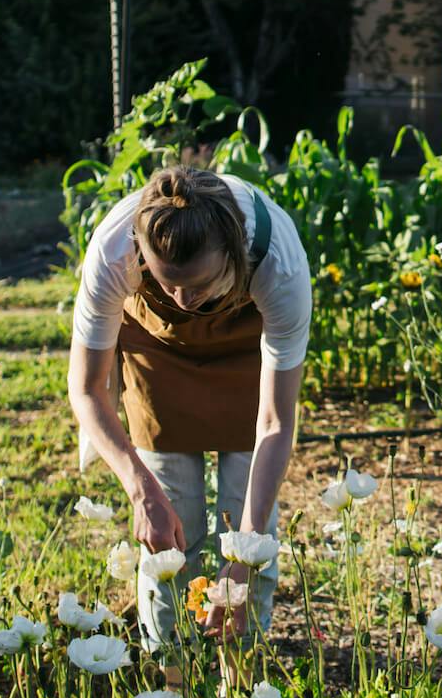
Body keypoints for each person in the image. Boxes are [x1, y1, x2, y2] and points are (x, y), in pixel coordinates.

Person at [65, 165, 310, 651]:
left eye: (198, 285)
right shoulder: (113, 252)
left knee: (249, 521)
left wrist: (243, 553)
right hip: (157, 355)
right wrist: (140, 492)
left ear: (233, 252)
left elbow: (277, 422)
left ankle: (241, 685)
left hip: (247, 354)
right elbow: (88, 388)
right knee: (171, 529)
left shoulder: (279, 265)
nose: (182, 299)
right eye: (166, 283)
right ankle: (170, 679)